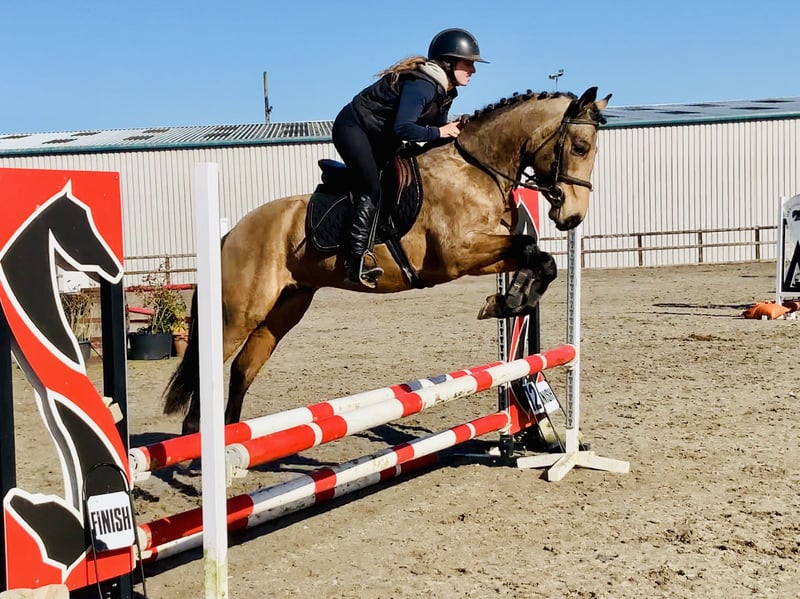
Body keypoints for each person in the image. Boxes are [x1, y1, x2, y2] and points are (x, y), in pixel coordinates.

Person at [332, 28, 488, 288]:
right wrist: (441, 131)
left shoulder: (445, 92)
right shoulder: (422, 85)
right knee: (371, 188)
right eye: (468, 63)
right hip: (353, 129)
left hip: (380, 137)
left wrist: (459, 129)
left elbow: (433, 131)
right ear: (449, 63)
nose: (473, 70)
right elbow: (403, 128)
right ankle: (354, 260)